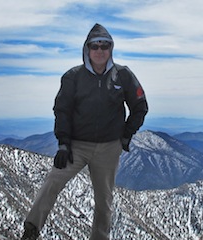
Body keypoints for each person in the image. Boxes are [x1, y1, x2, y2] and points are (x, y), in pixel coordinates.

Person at [21, 23, 148, 240]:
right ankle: (31, 230)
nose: (99, 50)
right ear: (86, 49)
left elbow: (140, 106)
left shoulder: (123, 75)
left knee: (104, 201)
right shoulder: (73, 77)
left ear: (111, 49)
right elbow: (62, 110)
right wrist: (63, 143)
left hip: (109, 147)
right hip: (76, 146)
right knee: (53, 181)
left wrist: (126, 136)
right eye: (95, 46)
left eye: (104, 46)